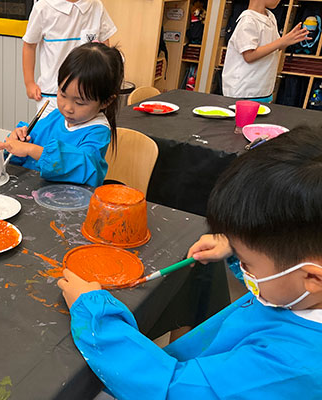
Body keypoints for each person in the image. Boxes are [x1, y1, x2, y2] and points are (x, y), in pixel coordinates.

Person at [57, 125, 322, 398]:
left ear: (312, 278)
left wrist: (96, 317)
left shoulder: (288, 369)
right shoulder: (302, 290)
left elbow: (168, 390)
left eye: (248, 264)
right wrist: (235, 249)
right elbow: (283, 282)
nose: (244, 269)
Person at [0, 42, 123, 187]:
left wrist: (31, 150)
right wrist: (18, 142)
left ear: (105, 102)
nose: (67, 108)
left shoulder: (97, 131)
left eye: (80, 103)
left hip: (70, 202)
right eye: (63, 95)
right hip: (35, 191)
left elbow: (85, 167)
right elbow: (24, 155)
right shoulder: (56, 116)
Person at [22, 0, 117, 116]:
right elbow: (29, 46)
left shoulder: (96, 6)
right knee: (49, 132)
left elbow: (103, 46)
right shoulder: (42, 7)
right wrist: (29, 83)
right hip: (52, 95)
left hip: (86, 97)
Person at [222, 0, 309, 102]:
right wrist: (281, 41)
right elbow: (249, 56)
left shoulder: (270, 17)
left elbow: (272, 47)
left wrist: (288, 40)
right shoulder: (248, 21)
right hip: (244, 91)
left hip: (262, 90)